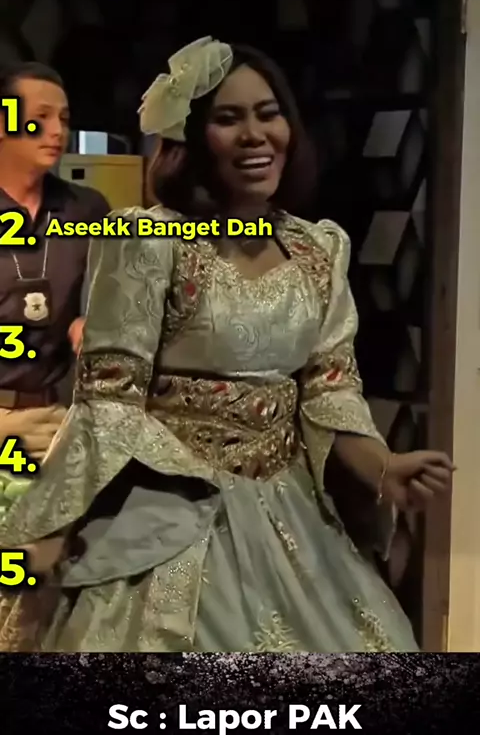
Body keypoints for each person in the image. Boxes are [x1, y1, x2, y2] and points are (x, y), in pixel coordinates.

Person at [0, 37, 453, 652]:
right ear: (191, 138)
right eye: (228, 118)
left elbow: (330, 387)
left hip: (292, 515)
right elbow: (109, 400)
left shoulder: (319, 249)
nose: (254, 135)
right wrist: (54, 525)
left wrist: (383, 466)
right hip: (171, 509)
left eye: (268, 113)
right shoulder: (147, 241)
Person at [0, 62, 109, 507]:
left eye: (63, 118)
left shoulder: (86, 208)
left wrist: (92, 321)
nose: (57, 131)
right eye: (40, 117)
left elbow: (112, 299)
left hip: (55, 419)